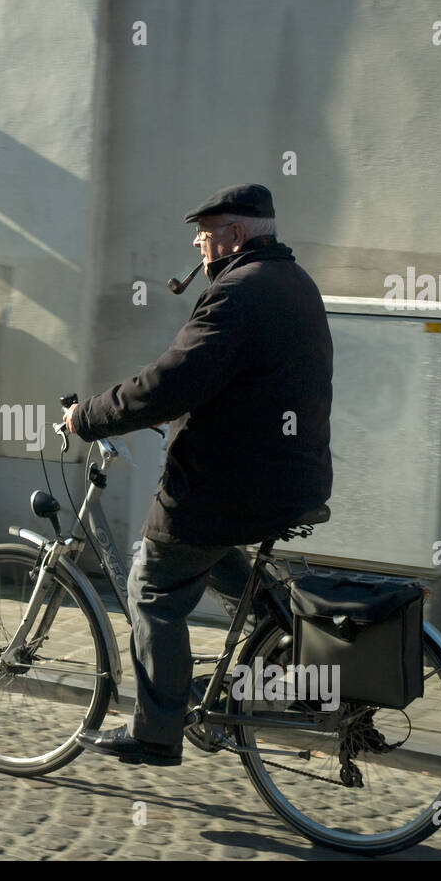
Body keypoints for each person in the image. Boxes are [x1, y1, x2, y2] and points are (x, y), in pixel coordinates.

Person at [65, 183, 333, 766]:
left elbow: (170, 381)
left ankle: (156, 733)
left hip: (229, 485)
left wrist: (87, 416)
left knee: (153, 587)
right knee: (229, 571)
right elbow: (249, 381)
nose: (198, 241)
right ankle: (284, 675)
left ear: (236, 235)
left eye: (207, 230)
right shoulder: (295, 283)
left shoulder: (238, 293)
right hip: (290, 477)